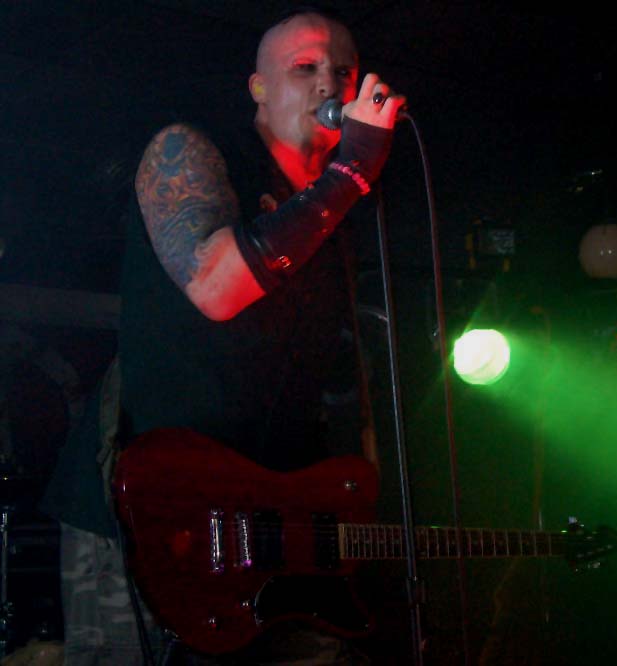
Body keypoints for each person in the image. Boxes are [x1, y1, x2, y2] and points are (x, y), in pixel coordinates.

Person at [40, 8, 405, 664]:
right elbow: (215, 287)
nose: (329, 83)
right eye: (304, 68)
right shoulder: (189, 151)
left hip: (272, 522)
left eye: (343, 71)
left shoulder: (333, 215)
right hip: (153, 509)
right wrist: (349, 174)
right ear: (258, 88)